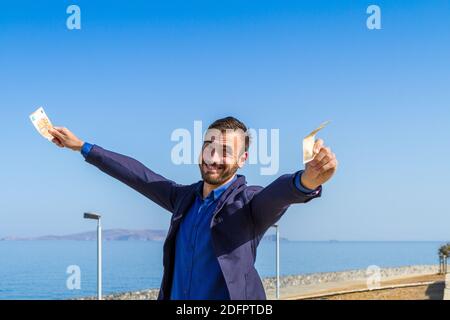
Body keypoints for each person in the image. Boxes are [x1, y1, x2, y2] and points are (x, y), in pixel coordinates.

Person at [48, 116, 338, 300]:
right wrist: (82, 146)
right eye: (209, 147)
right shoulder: (182, 198)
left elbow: (278, 195)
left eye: (225, 151)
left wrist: (307, 179)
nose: (213, 157)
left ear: (243, 159)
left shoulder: (249, 204)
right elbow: (137, 175)